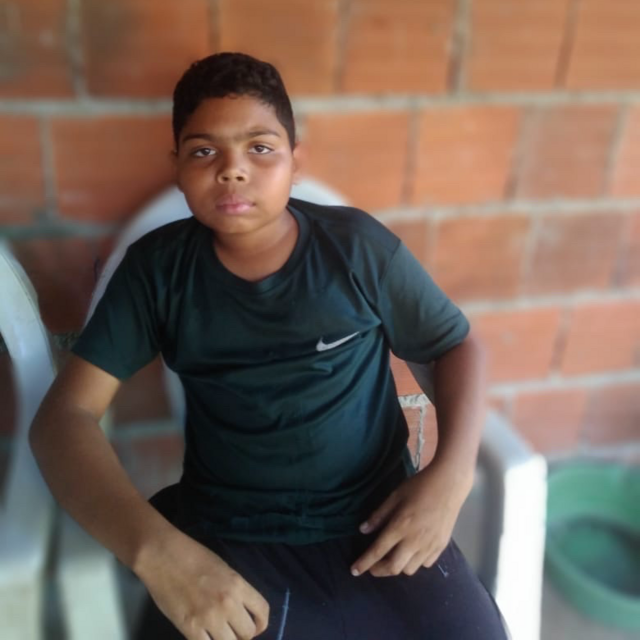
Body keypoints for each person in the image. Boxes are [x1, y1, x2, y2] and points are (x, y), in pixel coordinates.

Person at [30, 52, 508, 640]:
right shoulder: (156, 272)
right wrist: (158, 553)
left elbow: (457, 346)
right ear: (177, 167)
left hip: (380, 522)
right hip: (229, 539)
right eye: (203, 151)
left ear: (295, 162)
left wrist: (451, 478)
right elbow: (63, 420)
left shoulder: (357, 250)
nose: (233, 171)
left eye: (260, 148)